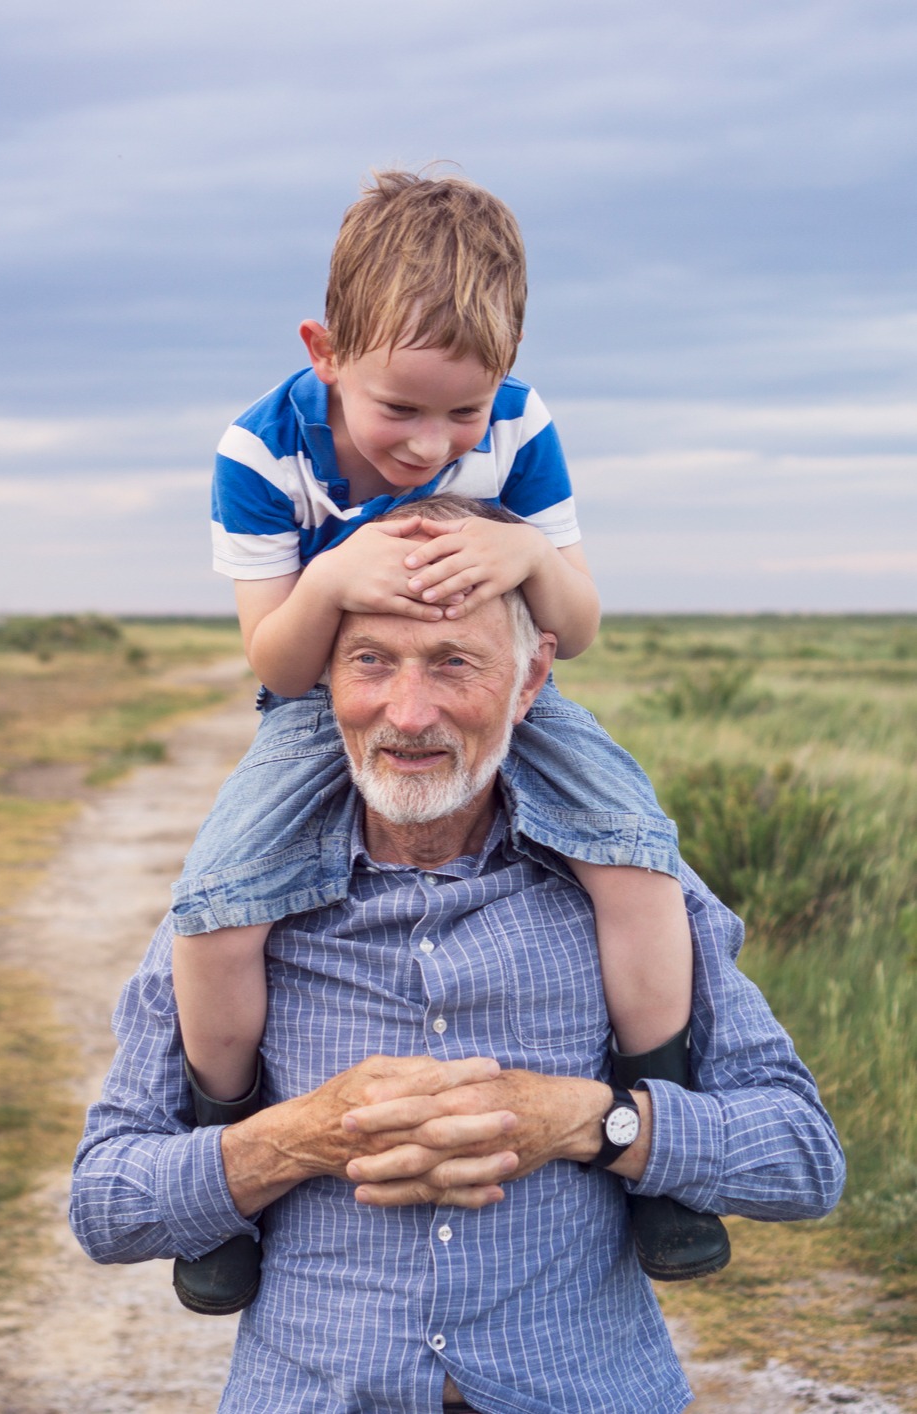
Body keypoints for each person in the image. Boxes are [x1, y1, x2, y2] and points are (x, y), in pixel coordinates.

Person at [71, 568, 845, 1413]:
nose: (407, 713)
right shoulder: (230, 911)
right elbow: (106, 1202)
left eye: (454, 664)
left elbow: (804, 1157)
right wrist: (296, 1138)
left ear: (531, 680)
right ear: (323, 677)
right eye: (370, 661)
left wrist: (596, 1121)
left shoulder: (639, 894)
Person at [170, 169, 706, 1313]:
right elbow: (272, 658)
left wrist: (529, 562)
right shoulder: (262, 453)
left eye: (462, 411)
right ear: (324, 350)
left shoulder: (523, 425)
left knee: (637, 853)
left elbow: (581, 623)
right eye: (399, 409)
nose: (431, 443)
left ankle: (661, 1125)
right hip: (322, 702)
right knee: (217, 901)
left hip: (511, 687)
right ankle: (227, 1157)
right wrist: (333, 581)